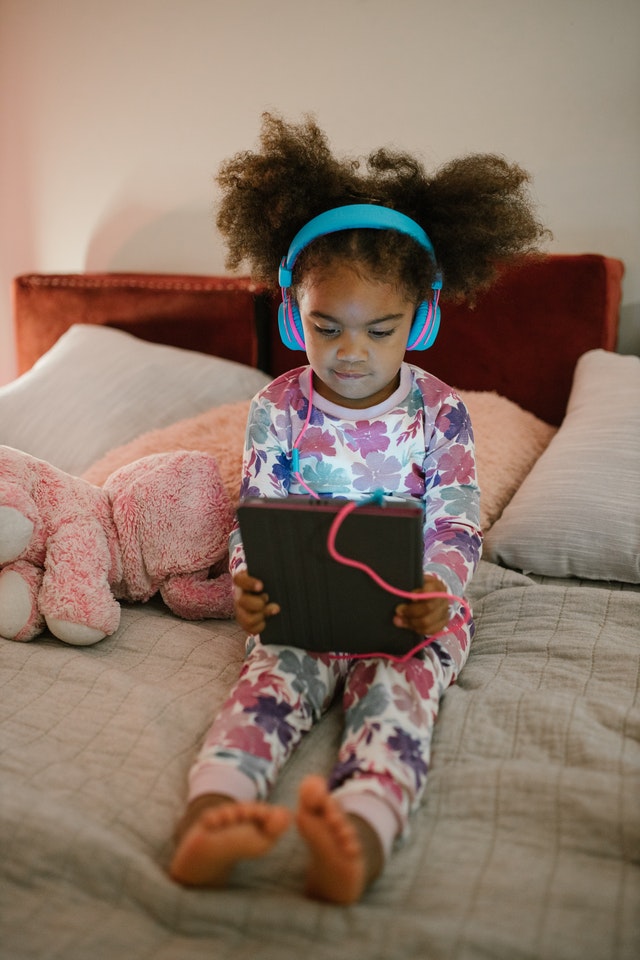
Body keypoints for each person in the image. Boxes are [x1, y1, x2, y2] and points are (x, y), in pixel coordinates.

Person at [169, 113, 548, 903]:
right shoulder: (277, 405)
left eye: (380, 330)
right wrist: (251, 581)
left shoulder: (439, 411)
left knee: (399, 698)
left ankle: (363, 830)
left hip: (411, 611)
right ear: (289, 313)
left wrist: (436, 591)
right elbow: (259, 507)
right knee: (266, 687)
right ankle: (216, 810)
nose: (349, 352)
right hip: (304, 608)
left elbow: (454, 517)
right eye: (324, 326)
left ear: (423, 318)